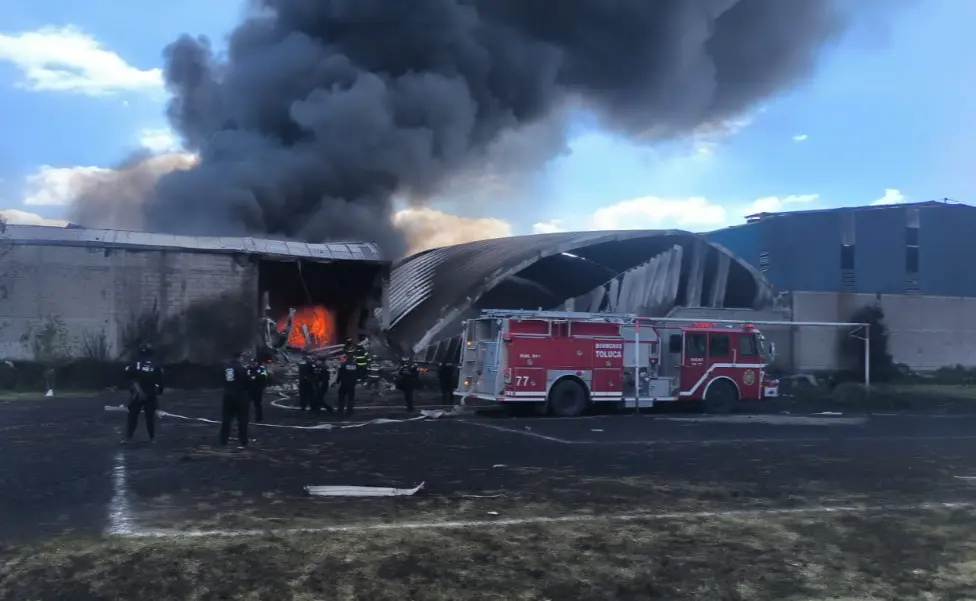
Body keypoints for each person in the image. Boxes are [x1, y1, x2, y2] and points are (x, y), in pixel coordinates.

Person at [123, 344, 164, 443]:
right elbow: (160, 380)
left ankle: (128, 438)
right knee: (150, 417)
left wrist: (136, 390)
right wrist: (159, 391)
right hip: (150, 393)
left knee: (133, 417)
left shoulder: (135, 363)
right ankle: (152, 438)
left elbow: (130, 377)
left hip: (137, 394)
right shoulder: (155, 364)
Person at [220, 351, 251, 448]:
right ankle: (243, 440)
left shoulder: (228, 368)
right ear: (240, 357)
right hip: (241, 397)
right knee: (242, 420)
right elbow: (247, 382)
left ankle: (223, 439)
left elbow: (227, 381)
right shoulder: (242, 369)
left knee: (226, 419)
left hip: (228, 396)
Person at [336, 353, 359, 418]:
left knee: (341, 398)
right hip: (352, 384)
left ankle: (340, 411)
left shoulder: (343, 364)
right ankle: (350, 411)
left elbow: (340, 373)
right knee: (350, 398)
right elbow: (357, 373)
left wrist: (337, 381)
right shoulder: (355, 365)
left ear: (347, 358)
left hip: (344, 383)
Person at [248, 358, 268, 423]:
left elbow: (264, 378)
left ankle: (259, 418)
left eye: (254, 363)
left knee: (258, 404)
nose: (253, 364)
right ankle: (247, 417)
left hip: (258, 389)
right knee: (246, 404)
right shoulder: (248, 369)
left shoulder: (262, 369)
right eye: (252, 363)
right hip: (249, 389)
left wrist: (262, 387)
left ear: (257, 363)